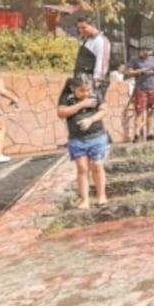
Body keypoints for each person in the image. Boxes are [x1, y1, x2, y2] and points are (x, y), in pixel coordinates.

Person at [57, 75, 109, 209]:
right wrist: (82, 104)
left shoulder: (96, 94)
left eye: (88, 90)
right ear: (73, 88)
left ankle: (101, 195)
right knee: (82, 168)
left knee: (96, 164)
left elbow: (104, 111)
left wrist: (90, 120)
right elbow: (61, 112)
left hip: (96, 136)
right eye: (81, 90)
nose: (86, 93)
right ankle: (84, 199)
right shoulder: (67, 97)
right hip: (77, 139)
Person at [128, 45, 154, 141]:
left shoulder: (153, 59)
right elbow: (130, 72)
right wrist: (141, 70)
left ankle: (150, 133)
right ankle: (137, 134)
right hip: (141, 88)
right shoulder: (135, 59)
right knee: (140, 111)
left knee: (152, 111)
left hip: (152, 87)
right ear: (141, 51)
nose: (147, 54)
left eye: (149, 52)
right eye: (145, 52)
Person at [73, 15, 112, 97]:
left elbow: (101, 62)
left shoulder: (100, 41)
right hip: (82, 82)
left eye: (83, 27)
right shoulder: (87, 40)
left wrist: (96, 82)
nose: (81, 30)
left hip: (93, 84)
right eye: (79, 28)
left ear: (93, 26)